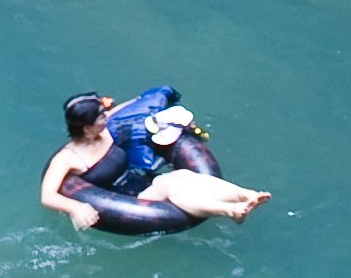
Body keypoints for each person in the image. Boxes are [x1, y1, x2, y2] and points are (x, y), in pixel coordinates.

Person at [42, 91, 270, 231]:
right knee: (172, 187)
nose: (106, 116)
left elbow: (128, 110)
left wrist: (151, 106)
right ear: (87, 127)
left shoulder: (105, 131)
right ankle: (230, 211)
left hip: (141, 182)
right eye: (101, 116)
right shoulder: (68, 157)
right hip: (123, 198)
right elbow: (47, 195)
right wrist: (75, 207)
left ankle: (245, 195)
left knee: (183, 177)